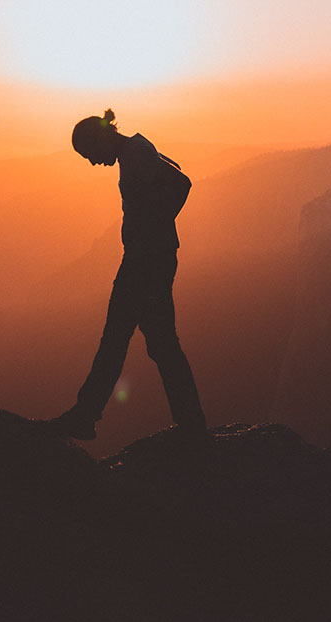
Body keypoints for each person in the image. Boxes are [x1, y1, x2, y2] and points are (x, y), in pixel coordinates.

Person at [48, 109, 206, 440]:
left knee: (123, 340)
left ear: (102, 138)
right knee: (152, 344)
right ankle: (189, 423)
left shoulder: (136, 154)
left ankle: (86, 416)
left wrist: (155, 227)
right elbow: (174, 181)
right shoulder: (134, 151)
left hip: (145, 263)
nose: (94, 162)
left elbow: (182, 183)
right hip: (148, 259)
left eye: (91, 154)